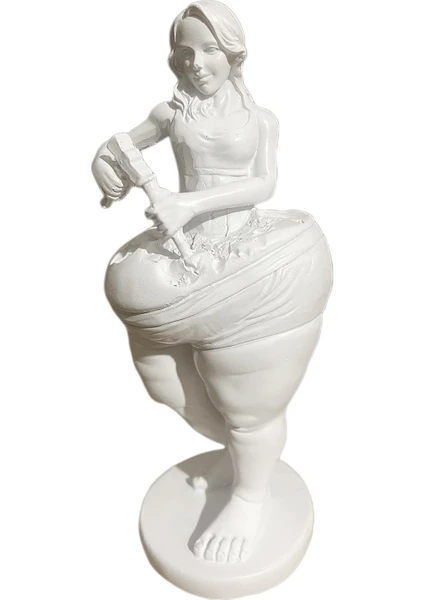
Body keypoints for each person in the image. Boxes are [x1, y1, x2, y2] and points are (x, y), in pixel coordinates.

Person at [92, 0, 332, 564]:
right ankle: (241, 452)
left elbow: (264, 185)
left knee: (249, 403)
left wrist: (189, 204)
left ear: (234, 53)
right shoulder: (172, 113)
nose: (196, 63)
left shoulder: (261, 120)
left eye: (209, 50)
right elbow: (121, 146)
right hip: (186, 252)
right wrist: (105, 165)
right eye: (186, 52)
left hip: (247, 250)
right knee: (162, 379)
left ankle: (251, 493)